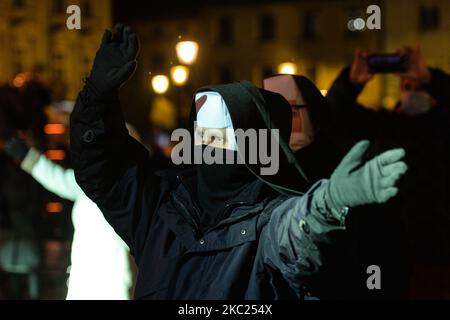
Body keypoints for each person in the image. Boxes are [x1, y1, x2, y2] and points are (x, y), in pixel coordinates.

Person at [70, 24, 408, 299]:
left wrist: (328, 203)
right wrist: (97, 96)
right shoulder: (163, 208)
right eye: (202, 134)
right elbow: (106, 171)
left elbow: (294, 234)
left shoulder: (268, 219)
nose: (208, 147)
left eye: (221, 136)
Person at [326, 46, 450, 298]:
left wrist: (429, 77)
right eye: (407, 86)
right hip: (386, 250)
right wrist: (350, 82)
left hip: (439, 254)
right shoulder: (381, 126)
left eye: (420, 87)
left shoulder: (444, 126)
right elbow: (333, 115)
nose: (413, 92)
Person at [4, 135, 134, 300]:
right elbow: (57, 178)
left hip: (113, 285)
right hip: (82, 283)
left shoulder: (134, 191)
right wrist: (27, 157)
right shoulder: (90, 183)